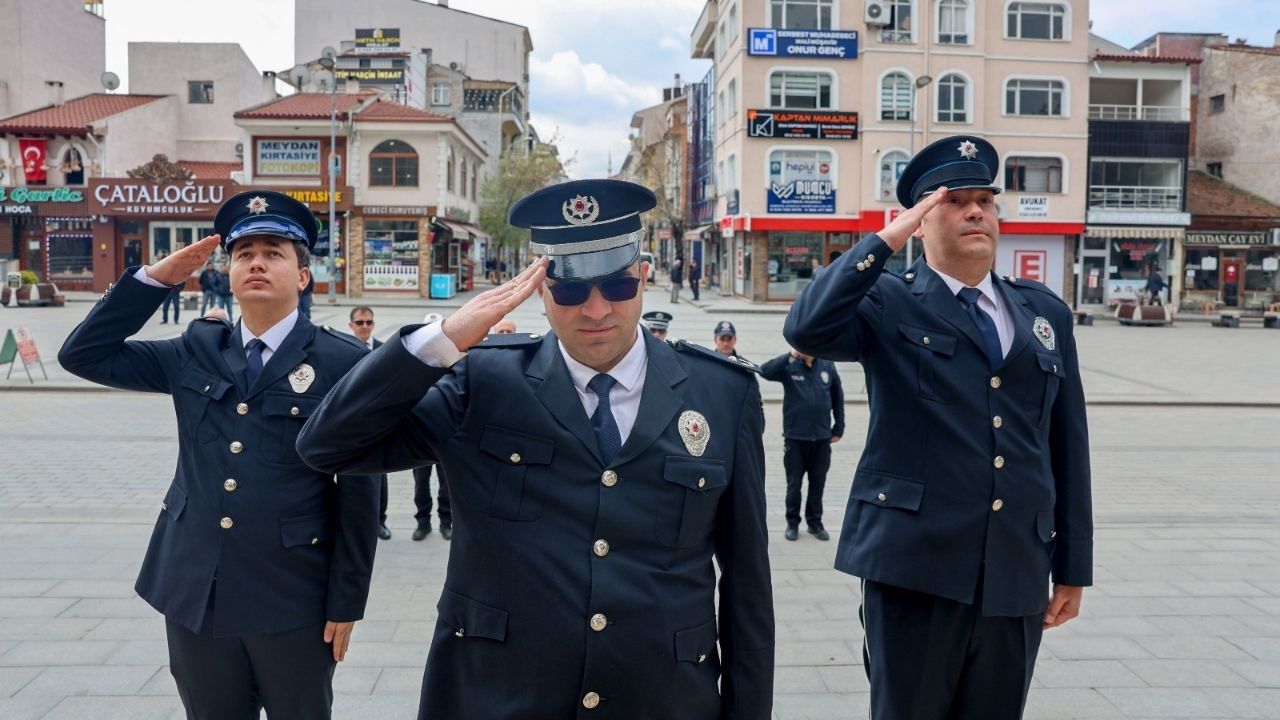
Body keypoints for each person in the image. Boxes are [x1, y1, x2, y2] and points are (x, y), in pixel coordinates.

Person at [298, 178, 774, 719]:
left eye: (616, 286)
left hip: (663, 697)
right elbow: (326, 446)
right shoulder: (483, 381)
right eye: (571, 291)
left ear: (644, 275)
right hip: (500, 696)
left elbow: (747, 586)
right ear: (540, 291)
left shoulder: (723, 393)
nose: (595, 310)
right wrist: (443, 339)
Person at [783, 135, 1092, 720]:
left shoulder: (1042, 312)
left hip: (1015, 572)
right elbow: (806, 329)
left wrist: (1073, 566)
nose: (976, 211)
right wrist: (885, 239)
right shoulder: (887, 301)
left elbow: (1066, 443)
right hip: (914, 570)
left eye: (985, 200)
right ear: (921, 220)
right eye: (953, 200)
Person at [58, 189, 381, 720]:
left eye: (274, 252)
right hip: (195, 591)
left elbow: (362, 491)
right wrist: (153, 281)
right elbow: (82, 355)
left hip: (293, 596)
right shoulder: (196, 349)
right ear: (227, 272)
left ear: (303, 277)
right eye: (243, 254)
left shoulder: (342, 362)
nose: (256, 263)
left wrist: (347, 601)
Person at [759, 349, 844, 542]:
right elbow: (764, 371)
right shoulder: (789, 366)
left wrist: (839, 426)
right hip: (795, 439)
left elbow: (838, 397)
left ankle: (815, 523)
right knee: (794, 484)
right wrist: (790, 355)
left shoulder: (827, 365)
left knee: (818, 483)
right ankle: (792, 523)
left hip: (822, 439)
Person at [348, 305, 392, 541]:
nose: (364, 327)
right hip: (350, 426)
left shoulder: (384, 350)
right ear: (351, 325)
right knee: (351, 478)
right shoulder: (342, 349)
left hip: (377, 424)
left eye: (368, 323)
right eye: (359, 323)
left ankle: (380, 521)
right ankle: (356, 525)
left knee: (379, 476)